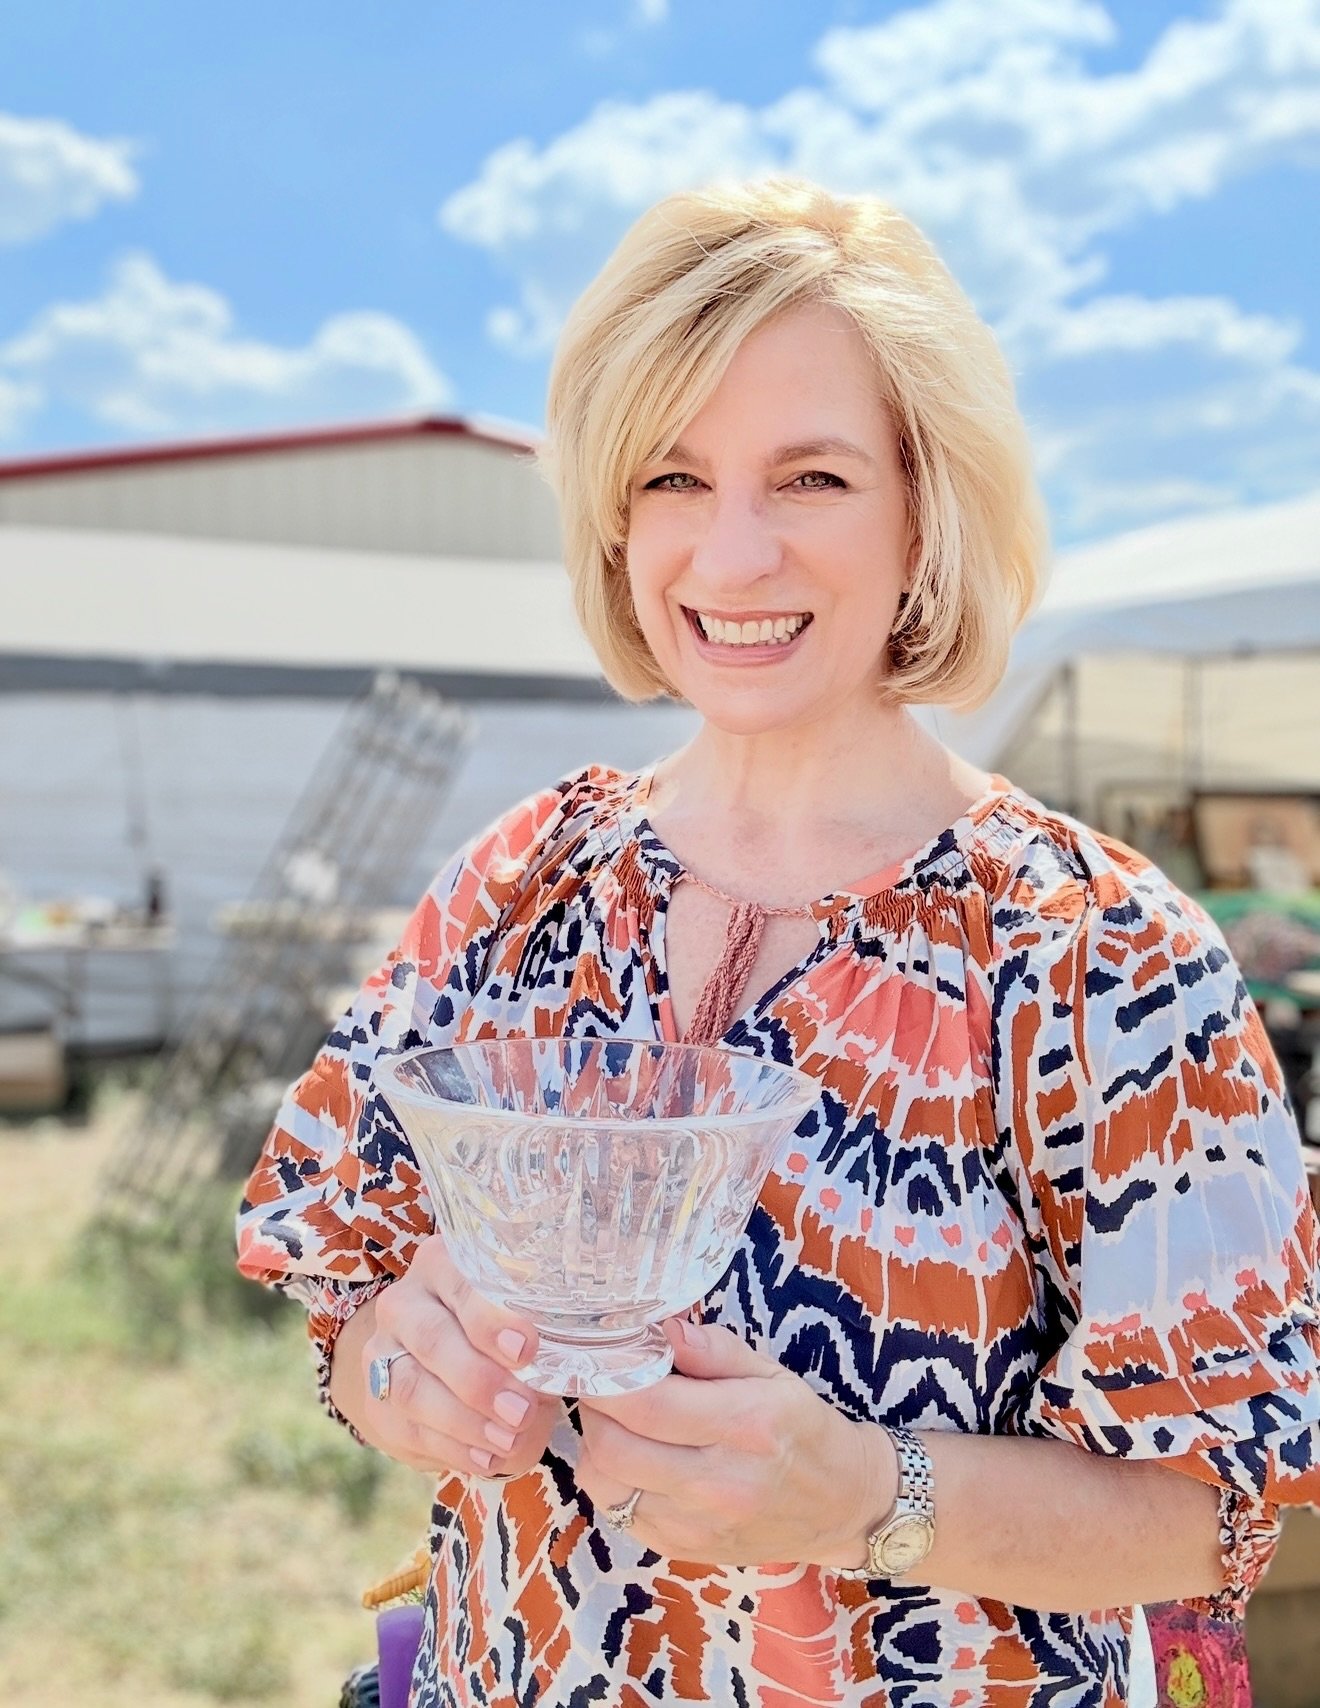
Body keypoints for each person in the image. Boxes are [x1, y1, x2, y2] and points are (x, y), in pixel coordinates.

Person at [236, 178, 1320, 1707]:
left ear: (923, 507)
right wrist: (403, 1376)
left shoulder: (1104, 957)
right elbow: (350, 1297)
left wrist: (870, 1498)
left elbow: (1211, 1512)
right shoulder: (519, 881)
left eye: (808, 479)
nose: (731, 558)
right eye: (673, 480)